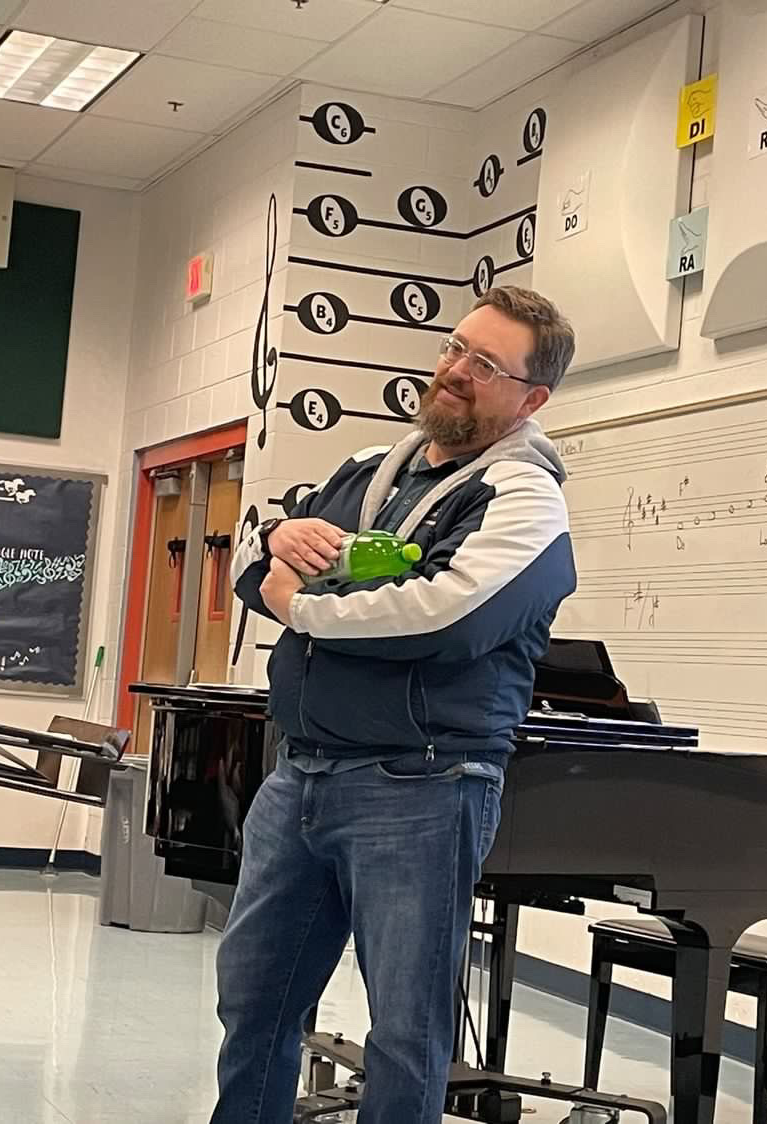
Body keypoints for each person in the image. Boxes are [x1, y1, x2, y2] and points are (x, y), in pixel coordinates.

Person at [210, 285, 577, 1124]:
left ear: (532, 397)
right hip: (299, 777)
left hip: (420, 787)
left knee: (405, 1034)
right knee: (255, 1006)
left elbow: (442, 618)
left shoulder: (524, 500)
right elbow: (252, 576)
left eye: (485, 365)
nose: (454, 371)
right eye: (455, 348)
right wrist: (277, 545)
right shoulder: (367, 473)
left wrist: (302, 604)